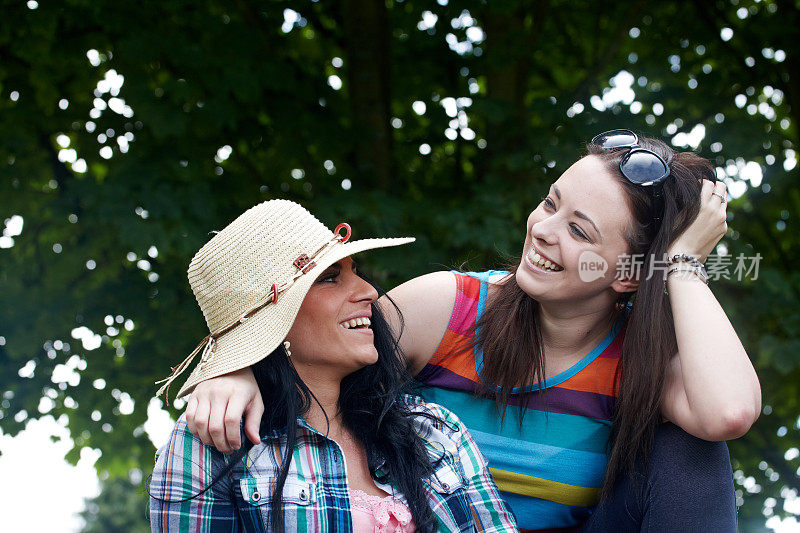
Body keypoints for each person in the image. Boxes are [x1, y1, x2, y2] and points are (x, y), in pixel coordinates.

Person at [183, 131, 761, 531]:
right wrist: (236, 369)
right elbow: (317, 339)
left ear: (629, 276)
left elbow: (728, 413)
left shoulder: (638, 358)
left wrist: (681, 264)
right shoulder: (450, 307)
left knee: (692, 448)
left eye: (580, 231)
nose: (542, 230)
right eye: (550, 203)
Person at [148, 200, 518, 532]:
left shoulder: (435, 431)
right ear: (274, 323)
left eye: (354, 269)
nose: (370, 291)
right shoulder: (209, 446)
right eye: (329, 278)